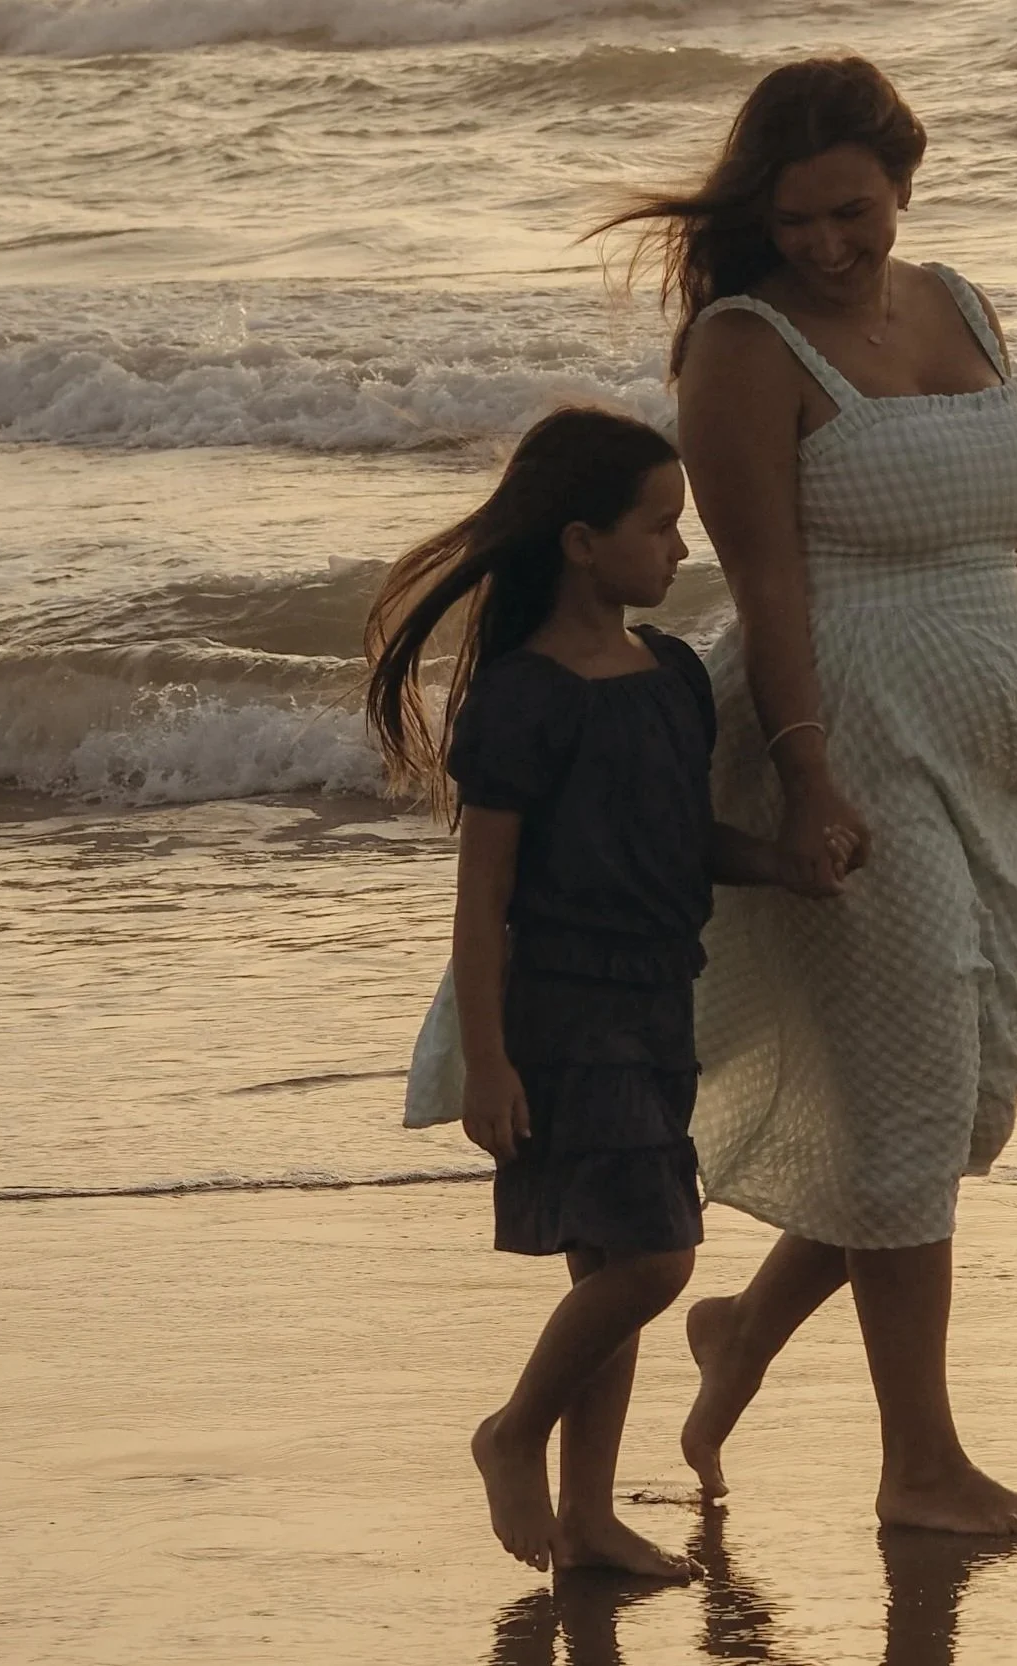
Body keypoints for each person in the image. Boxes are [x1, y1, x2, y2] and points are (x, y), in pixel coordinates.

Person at [599, 57, 1017, 1540]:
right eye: (798, 221)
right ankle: (921, 1468)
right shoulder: (743, 347)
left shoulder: (959, 303)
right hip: (854, 739)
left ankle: (741, 1336)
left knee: (956, 1093)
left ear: (905, 187)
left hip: (989, 739)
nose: (830, 245)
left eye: (856, 214)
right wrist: (813, 767)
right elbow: (766, 581)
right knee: (908, 1097)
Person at [363, 406, 807, 1577]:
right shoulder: (523, 695)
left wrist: (780, 862)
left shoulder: (668, 674)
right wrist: (491, 1059)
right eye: (658, 526)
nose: (679, 549)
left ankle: (590, 1517)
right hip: (565, 1010)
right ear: (579, 540)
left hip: (663, 996)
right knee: (655, 1264)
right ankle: (511, 1435)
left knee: (612, 1265)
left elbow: (680, 836)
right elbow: (482, 894)